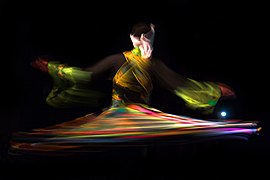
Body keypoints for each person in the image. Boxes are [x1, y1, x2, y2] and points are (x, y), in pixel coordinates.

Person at [9, 22, 260, 155]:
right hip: (118, 115)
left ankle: (242, 128)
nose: (148, 43)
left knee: (183, 131)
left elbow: (178, 84)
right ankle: (26, 146)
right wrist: (54, 68)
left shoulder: (154, 65)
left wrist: (214, 90)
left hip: (143, 116)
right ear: (134, 39)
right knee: (76, 138)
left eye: (150, 39)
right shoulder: (119, 60)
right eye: (145, 38)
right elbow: (84, 76)